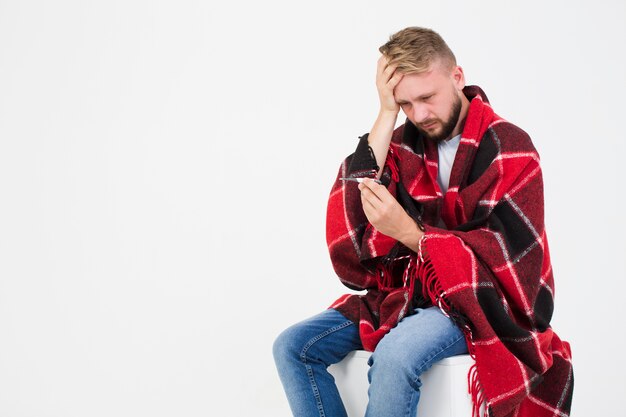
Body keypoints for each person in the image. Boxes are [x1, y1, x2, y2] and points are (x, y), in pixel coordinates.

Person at [273, 27, 573, 417]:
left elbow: (511, 259)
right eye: (406, 104)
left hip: (480, 301)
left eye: (428, 98)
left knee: (396, 357)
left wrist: (413, 236)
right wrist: (385, 113)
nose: (420, 115)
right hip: (409, 294)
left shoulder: (510, 146)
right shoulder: (403, 142)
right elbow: (350, 222)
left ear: (457, 77)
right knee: (292, 346)